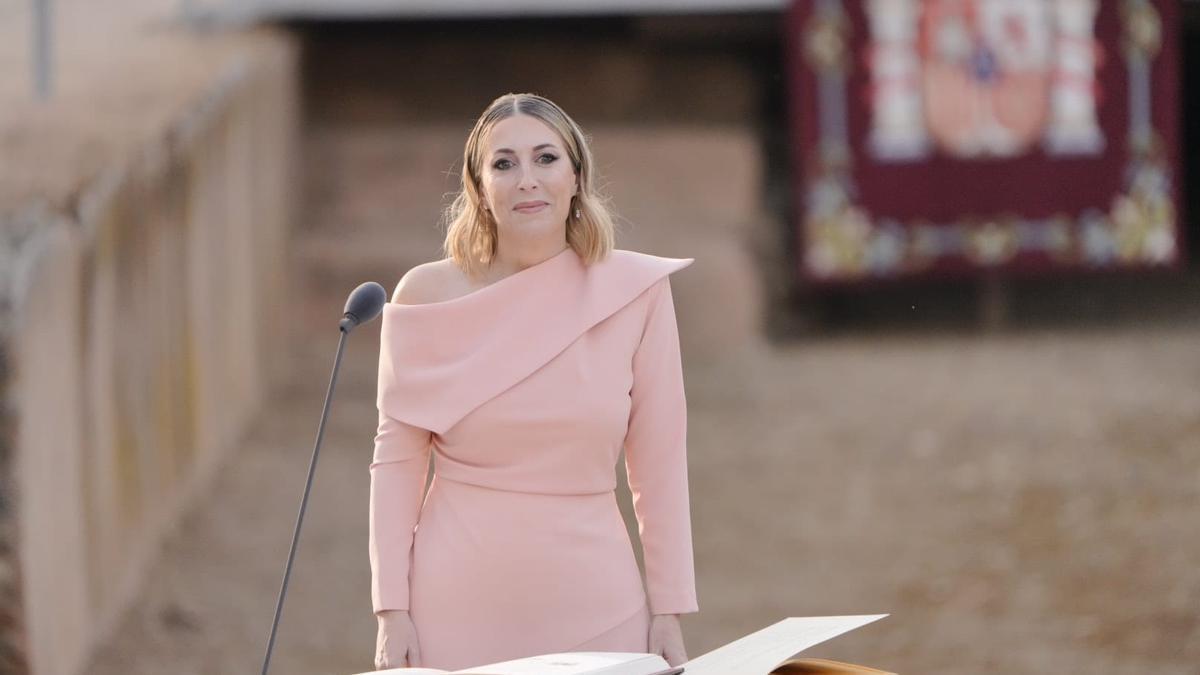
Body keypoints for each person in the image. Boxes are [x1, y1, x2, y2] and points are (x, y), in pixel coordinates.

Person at [369, 92, 698, 671]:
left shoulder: (637, 291)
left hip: (599, 604)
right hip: (454, 609)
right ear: (479, 189)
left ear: (576, 176)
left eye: (546, 158)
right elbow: (397, 462)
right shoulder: (423, 296)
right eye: (504, 163)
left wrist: (669, 607)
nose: (527, 179)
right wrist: (391, 609)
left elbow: (659, 461)